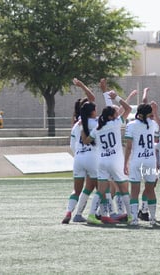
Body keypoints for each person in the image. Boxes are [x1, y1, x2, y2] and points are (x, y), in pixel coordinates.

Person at [83, 91, 133, 225]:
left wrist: (83, 126)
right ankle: (131, 217)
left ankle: (91, 215)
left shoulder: (97, 129)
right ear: (111, 117)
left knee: (101, 191)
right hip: (115, 160)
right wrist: (116, 97)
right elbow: (128, 108)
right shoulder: (116, 123)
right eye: (115, 114)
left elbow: (87, 141)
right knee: (123, 189)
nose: (118, 115)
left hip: (102, 161)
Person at [62, 78, 96, 224]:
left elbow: (73, 144)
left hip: (78, 158)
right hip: (91, 157)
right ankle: (86, 213)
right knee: (94, 187)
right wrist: (82, 85)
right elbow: (92, 98)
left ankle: (69, 212)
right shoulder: (94, 122)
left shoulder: (76, 124)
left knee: (76, 190)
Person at [124, 101, 160, 225]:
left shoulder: (131, 125)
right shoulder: (152, 124)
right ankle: (153, 218)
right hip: (150, 160)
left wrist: (125, 163)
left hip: (136, 161)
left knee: (134, 190)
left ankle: (134, 219)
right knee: (150, 190)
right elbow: (157, 127)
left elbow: (128, 147)